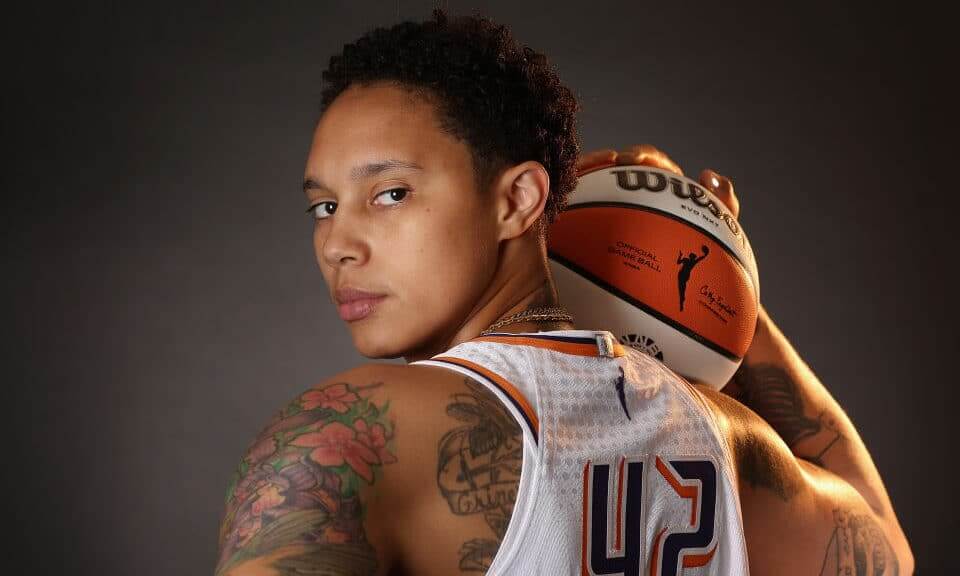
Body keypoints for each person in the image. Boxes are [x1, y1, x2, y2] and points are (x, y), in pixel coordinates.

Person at [214, 10, 912, 575]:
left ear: (518, 199)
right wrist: (719, 279)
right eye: (324, 207)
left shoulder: (346, 436)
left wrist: (714, 270)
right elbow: (884, 547)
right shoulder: (720, 438)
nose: (337, 243)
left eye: (391, 193)